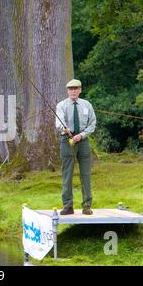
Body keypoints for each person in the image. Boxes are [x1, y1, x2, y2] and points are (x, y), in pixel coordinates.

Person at [55, 79, 96, 215]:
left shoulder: (87, 105)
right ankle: (68, 206)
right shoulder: (61, 105)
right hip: (67, 141)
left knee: (86, 174)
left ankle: (87, 205)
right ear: (67, 91)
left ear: (80, 90)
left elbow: (92, 124)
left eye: (75, 88)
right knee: (67, 174)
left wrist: (82, 135)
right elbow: (58, 122)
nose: (73, 91)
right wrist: (65, 129)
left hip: (83, 142)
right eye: (70, 89)